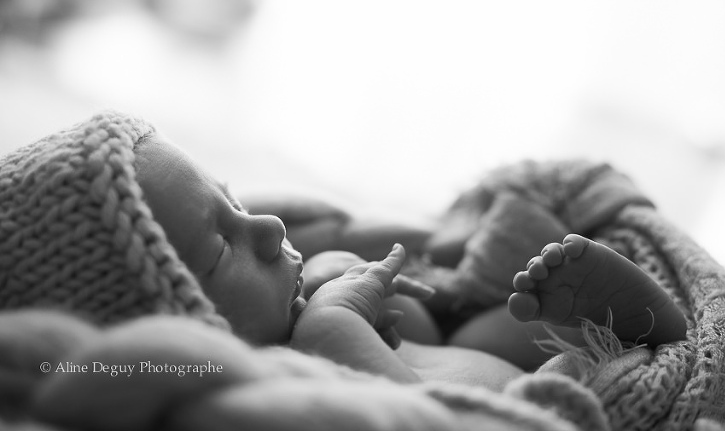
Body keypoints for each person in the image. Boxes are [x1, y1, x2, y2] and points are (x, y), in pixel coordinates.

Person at [0, 112, 688, 393]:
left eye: (234, 200)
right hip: (504, 404)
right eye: (219, 248)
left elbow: (344, 229)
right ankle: (632, 338)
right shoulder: (276, 390)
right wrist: (335, 328)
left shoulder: (288, 291)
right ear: (176, 330)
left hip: (478, 348)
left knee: (478, 316)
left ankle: (609, 318)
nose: (266, 227)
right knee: (496, 345)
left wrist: (361, 259)